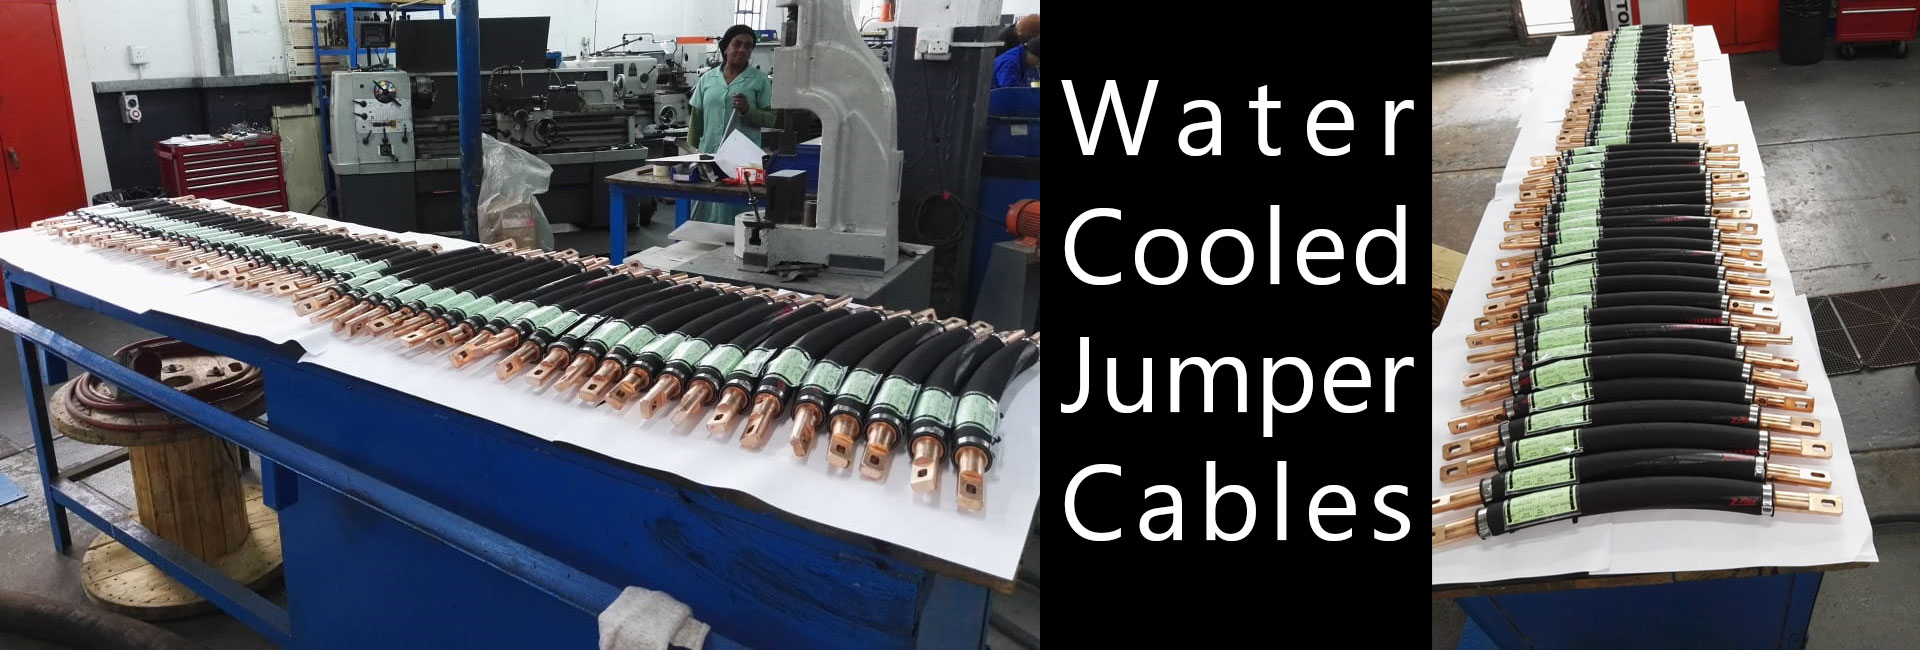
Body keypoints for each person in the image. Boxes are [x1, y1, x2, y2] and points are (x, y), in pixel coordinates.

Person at [686, 24, 775, 224]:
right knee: (704, 212)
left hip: (743, 160)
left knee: (739, 211)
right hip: (708, 157)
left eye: (748, 46)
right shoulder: (707, 79)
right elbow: (696, 123)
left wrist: (747, 110)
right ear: (725, 47)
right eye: (737, 44)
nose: (743, 49)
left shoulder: (759, 81)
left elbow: (771, 118)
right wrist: (689, 158)